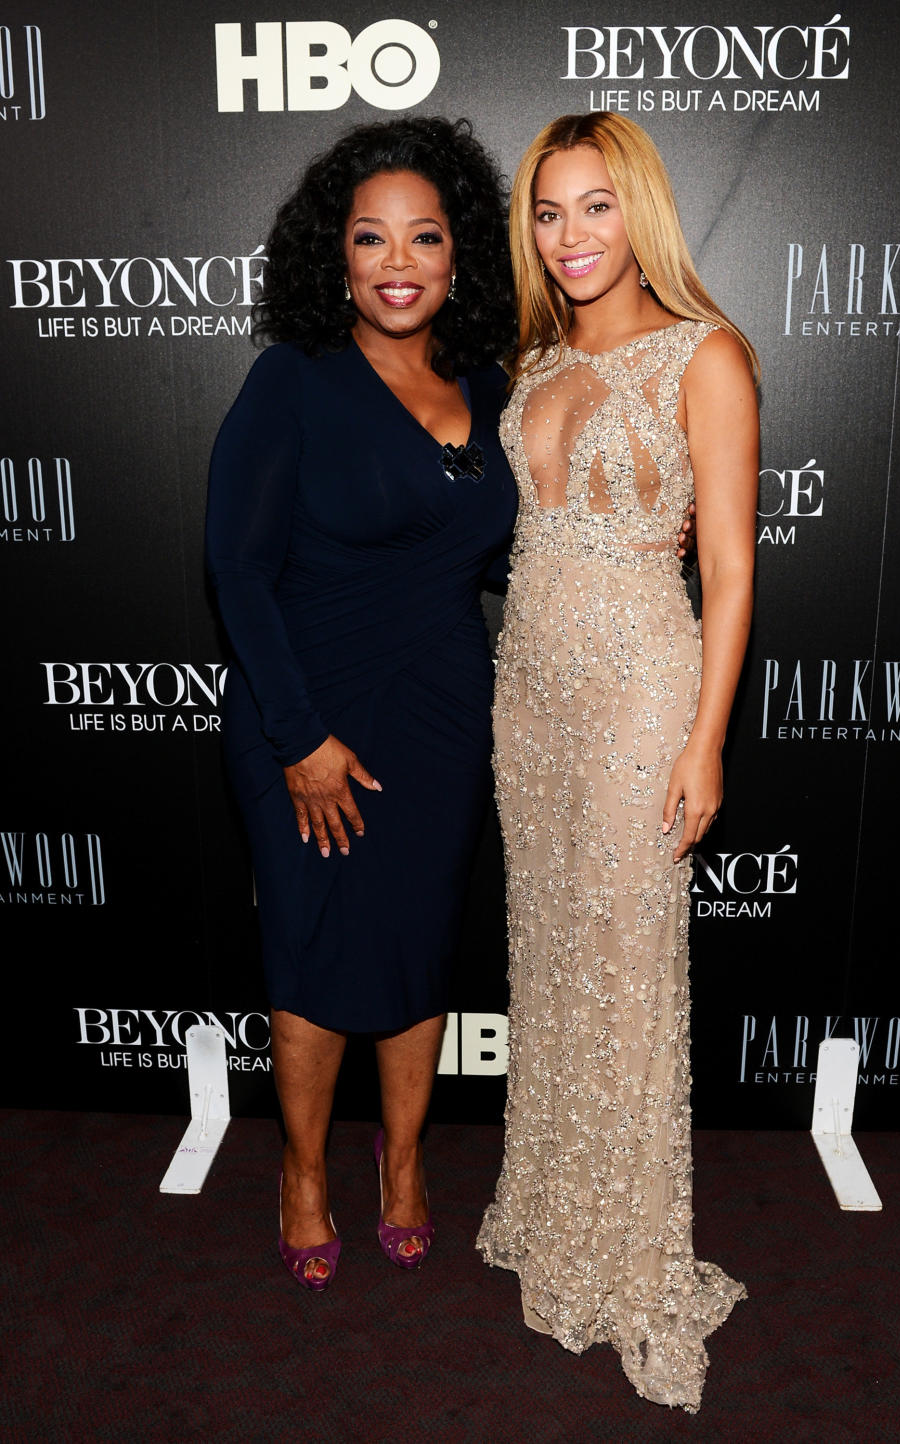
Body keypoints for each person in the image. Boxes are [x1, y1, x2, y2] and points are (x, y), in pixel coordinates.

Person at [476, 113, 759, 1413]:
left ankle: (632, 1255)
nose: (570, 236)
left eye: (594, 207)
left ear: (637, 211)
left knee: (628, 964)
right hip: (529, 691)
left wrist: (704, 737)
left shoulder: (706, 356)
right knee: (550, 952)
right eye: (548, 211)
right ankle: (557, 1218)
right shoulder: (533, 358)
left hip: (643, 686)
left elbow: (733, 565)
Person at [205, 117, 518, 1288]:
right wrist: (300, 737)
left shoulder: (489, 386)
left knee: (417, 950)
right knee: (311, 946)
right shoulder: (294, 377)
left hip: (440, 712)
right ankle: (300, 1172)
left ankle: (401, 1165)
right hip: (306, 711)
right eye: (371, 237)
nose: (398, 261)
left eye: (424, 237)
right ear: (334, 254)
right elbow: (235, 565)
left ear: (458, 256)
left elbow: (500, 552)